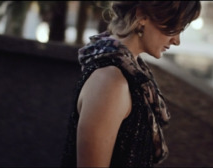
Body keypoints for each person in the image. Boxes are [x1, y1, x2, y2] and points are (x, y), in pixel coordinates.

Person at [61, 1, 201, 167]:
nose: (176, 40)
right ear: (142, 15)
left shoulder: (131, 74)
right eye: (174, 27)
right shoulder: (110, 82)